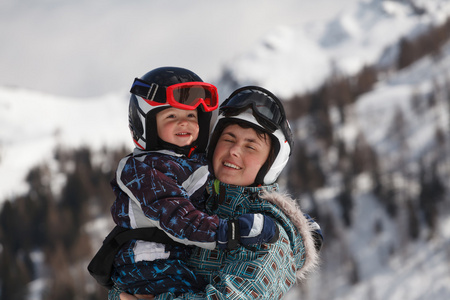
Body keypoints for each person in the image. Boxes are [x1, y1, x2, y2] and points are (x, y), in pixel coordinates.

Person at [107, 68, 279, 299]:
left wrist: (293, 222)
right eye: (172, 116)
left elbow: (226, 197)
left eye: (191, 116)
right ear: (145, 123)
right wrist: (231, 231)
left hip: (177, 260)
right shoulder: (142, 169)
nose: (184, 124)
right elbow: (178, 217)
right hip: (149, 265)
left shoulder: (193, 162)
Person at [154, 86, 323, 299]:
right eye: (228, 139)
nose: (234, 150)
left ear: (270, 165)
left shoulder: (267, 234)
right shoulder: (188, 206)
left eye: (250, 146)